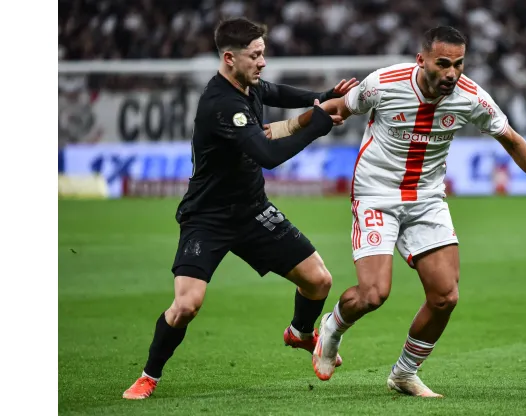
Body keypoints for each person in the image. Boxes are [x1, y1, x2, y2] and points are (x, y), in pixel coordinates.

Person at [302, 26, 526, 397]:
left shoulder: (471, 97)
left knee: (445, 296)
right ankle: (332, 329)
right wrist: (284, 132)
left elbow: (512, 141)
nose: (452, 73)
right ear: (422, 61)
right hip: (376, 194)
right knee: (373, 295)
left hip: (427, 199)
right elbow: (339, 108)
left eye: (459, 64)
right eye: (443, 64)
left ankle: (404, 373)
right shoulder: (384, 83)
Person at [122, 17, 358, 400]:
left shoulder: (247, 86)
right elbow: (266, 154)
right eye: (255, 56)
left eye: (263, 53)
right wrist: (316, 124)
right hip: (208, 218)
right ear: (230, 58)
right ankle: (148, 376)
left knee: (319, 281)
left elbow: (274, 90)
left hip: (252, 211)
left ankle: (299, 333)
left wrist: (323, 93)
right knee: (186, 306)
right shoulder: (221, 104)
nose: (262, 62)